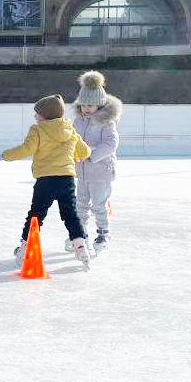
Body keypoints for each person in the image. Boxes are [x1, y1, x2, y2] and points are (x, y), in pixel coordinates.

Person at [0, 94, 92, 269]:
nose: (35, 116)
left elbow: (25, 150)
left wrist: (3, 156)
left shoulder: (38, 130)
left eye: (38, 113)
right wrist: (72, 158)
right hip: (66, 180)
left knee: (36, 214)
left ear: (46, 115)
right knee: (70, 215)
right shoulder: (70, 129)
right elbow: (85, 151)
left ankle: (24, 249)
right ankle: (81, 248)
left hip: (46, 181)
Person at [69, 71, 122, 256]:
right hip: (82, 172)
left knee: (99, 205)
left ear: (99, 104)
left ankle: (103, 234)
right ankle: (80, 235)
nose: (85, 108)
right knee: (81, 205)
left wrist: (90, 155)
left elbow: (111, 144)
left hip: (101, 172)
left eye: (90, 105)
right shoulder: (78, 121)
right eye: (83, 105)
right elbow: (72, 140)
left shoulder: (106, 123)